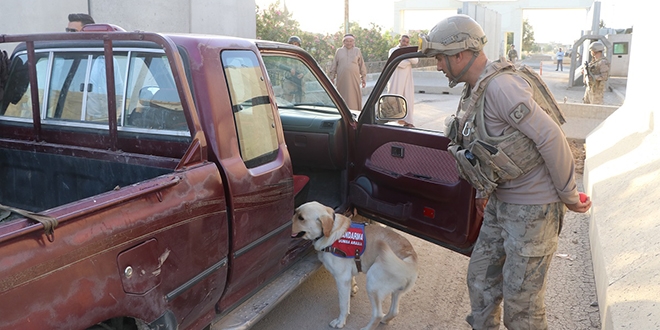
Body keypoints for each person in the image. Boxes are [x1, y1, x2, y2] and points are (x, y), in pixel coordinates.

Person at [420, 15, 591, 330]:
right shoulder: (475, 87)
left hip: (534, 209)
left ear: (460, 54)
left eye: (441, 58)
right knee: (481, 280)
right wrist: (485, 192)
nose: (439, 66)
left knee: (521, 305)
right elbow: (485, 146)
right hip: (502, 202)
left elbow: (551, 138)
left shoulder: (502, 87)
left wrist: (568, 195)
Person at [328, 34, 367, 111]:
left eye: (351, 41)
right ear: (344, 42)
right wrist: (332, 77)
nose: (349, 43)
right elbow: (334, 64)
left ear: (353, 42)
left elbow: (362, 65)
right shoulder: (339, 51)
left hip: (354, 79)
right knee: (342, 96)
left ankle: (355, 112)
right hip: (342, 79)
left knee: (354, 97)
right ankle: (343, 112)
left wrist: (363, 78)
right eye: (347, 41)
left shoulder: (357, 51)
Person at [387, 35, 418, 127]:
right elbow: (399, 63)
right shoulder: (393, 50)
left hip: (407, 79)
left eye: (407, 42)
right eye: (404, 41)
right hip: (395, 79)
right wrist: (407, 61)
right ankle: (392, 119)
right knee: (394, 96)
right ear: (400, 40)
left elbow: (415, 61)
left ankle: (408, 121)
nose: (405, 43)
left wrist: (408, 53)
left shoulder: (410, 51)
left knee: (407, 97)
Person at [281, 36, 305, 103]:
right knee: (286, 100)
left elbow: (306, 67)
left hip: (299, 80)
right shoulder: (285, 54)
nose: (294, 45)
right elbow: (280, 65)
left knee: (301, 100)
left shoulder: (302, 54)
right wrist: (289, 69)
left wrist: (303, 74)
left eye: (296, 44)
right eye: (292, 44)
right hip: (289, 80)